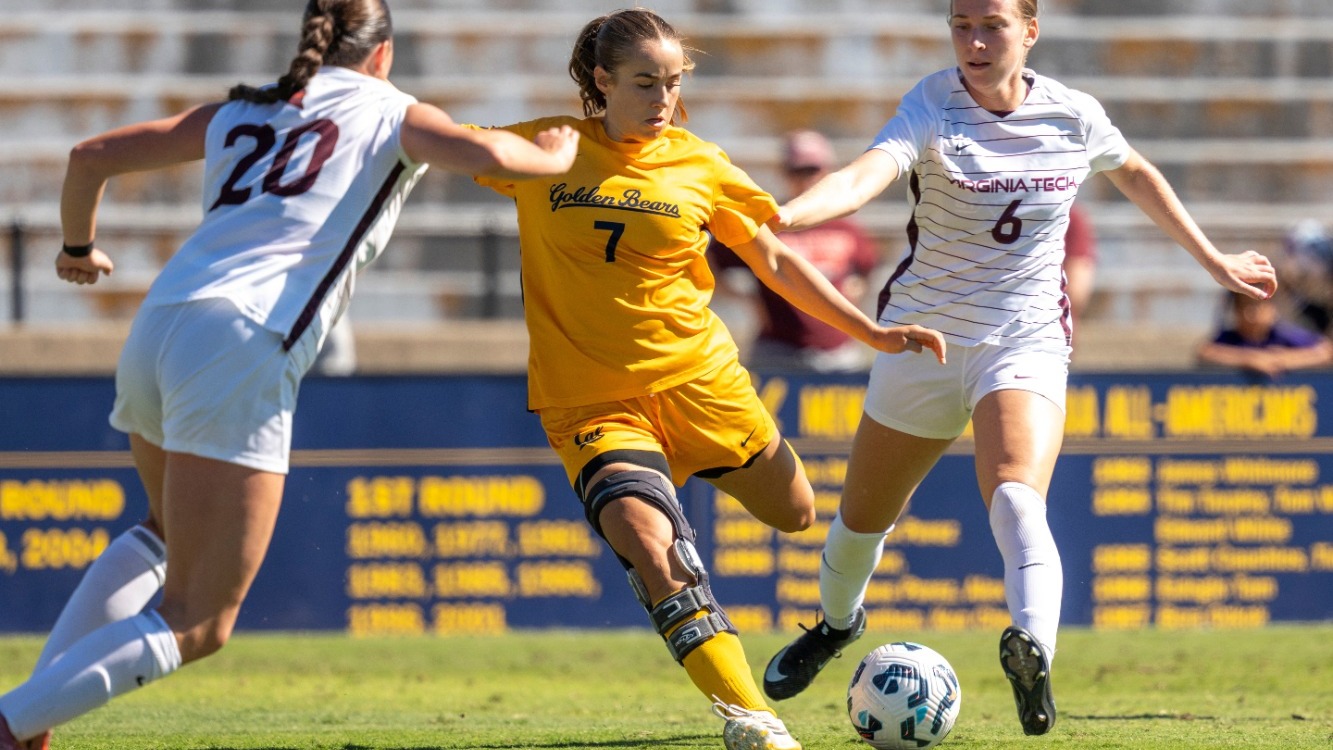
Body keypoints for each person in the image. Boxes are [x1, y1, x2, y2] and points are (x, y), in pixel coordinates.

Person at [0, 2, 578, 748]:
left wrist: (77, 249)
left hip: (161, 321)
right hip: (242, 338)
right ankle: (14, 722)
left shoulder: (244, 109)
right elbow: (495, 158)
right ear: (383, 54)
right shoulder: (391, 109)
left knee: (165, 532)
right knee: (201, 621)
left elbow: (88, 157)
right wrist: (559, 153)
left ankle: (31, 719)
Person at [759, 0, 1277, 738]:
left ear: (1028, 31)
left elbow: (1134, 172)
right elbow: (863, 174)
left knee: (1013, 494)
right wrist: (786, 216)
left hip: (1022, 339)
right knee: (858, 523)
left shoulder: (1072, 114)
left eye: (991, 24)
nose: (972, 40)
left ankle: (1034, 650)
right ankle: (837, 624)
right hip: (922, 340)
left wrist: (1214, 258)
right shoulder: (932, 102)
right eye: (960, 22)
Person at [470, 9, 946, 750]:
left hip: (703, 386)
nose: (662, 98)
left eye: (672, 82)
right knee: (653, 544)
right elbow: (431, 149)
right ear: (601, 80)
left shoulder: (700, 163)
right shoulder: (546, 146)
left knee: (794, 513)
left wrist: (871, 331)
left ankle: (679, 538)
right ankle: (752, 717)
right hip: (592, 400)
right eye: (644, 82)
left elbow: (777, 263)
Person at [708, 130, 881, 372]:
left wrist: (853, 295)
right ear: (784, 172)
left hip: (838, 350)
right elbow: (713, 259)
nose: (806, 179)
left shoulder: (848, 228)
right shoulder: (769, 222)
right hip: (779, 348)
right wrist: (746, 298)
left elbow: (866, 269)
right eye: (797, 171)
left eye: (812, 170)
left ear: (827, 172)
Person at [1196, 290, 1333, 379]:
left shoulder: (1282, 335)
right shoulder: (1229, 338)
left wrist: (1283, 360)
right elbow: (1205, 352)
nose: (1249, 314)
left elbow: (1326, 351)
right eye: (1242, 306)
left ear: (1271, 309)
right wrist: (1250, 359)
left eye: (1256, 306)